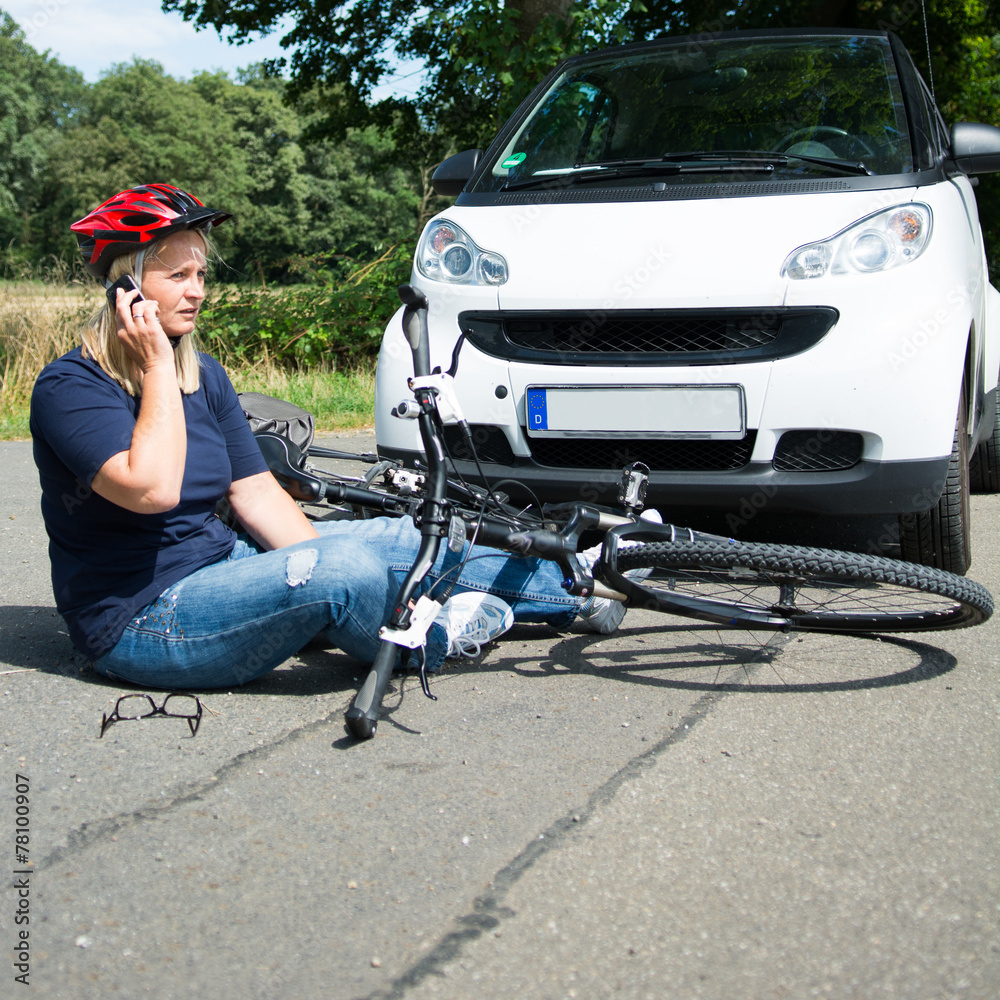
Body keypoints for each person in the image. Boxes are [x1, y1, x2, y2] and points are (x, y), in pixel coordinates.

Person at [29, 183, 630, 692]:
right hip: (146, 618)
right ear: (125, 288)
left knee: (409, 537)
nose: (198, 291)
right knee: (345, 570)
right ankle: (437, 638)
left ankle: (587, 582)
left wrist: (321, 561)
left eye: (202, 274)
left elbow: (254, 493)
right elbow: (152, 490)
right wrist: (157, 367)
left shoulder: (202, 373)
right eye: (178, 275)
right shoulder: (70, 387)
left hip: (226, 563)